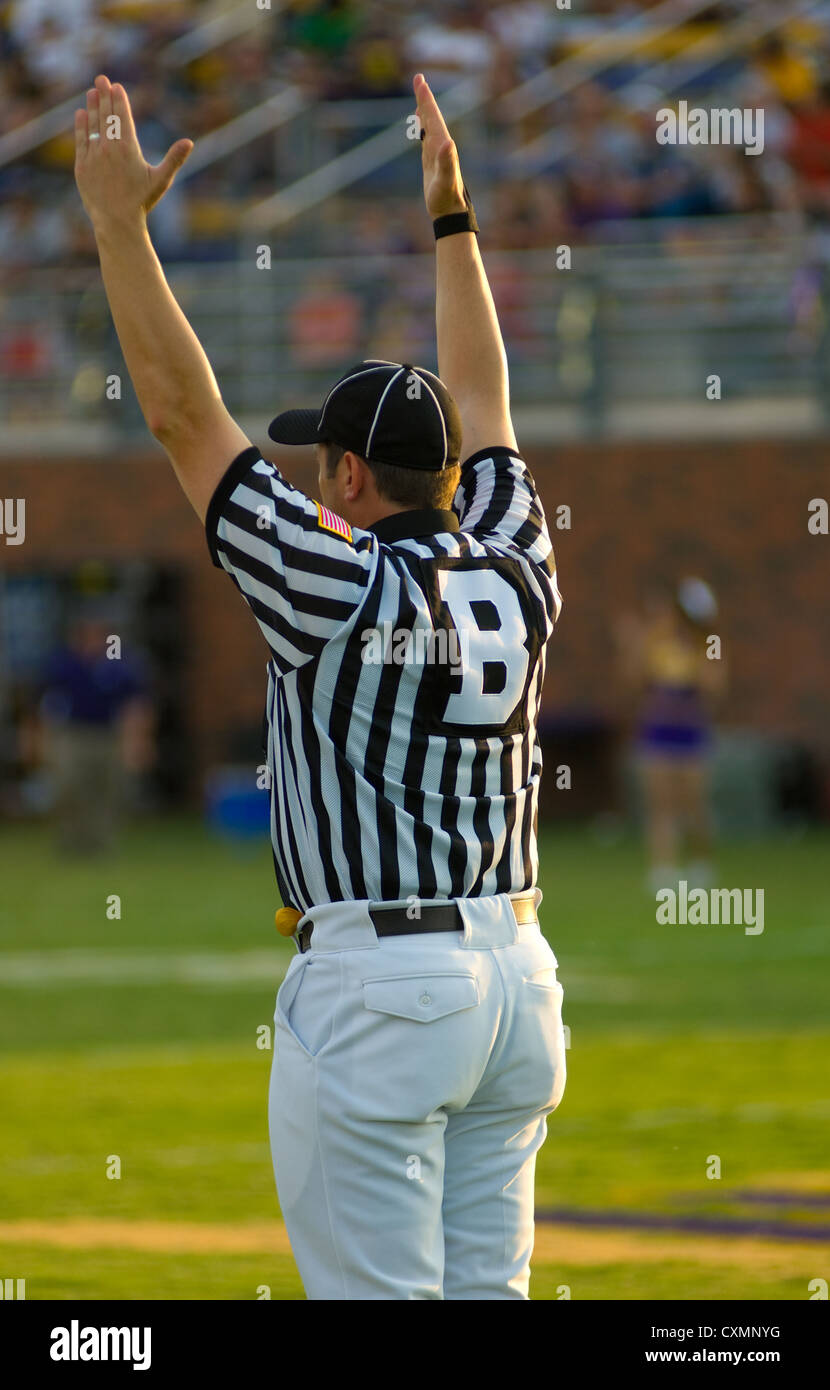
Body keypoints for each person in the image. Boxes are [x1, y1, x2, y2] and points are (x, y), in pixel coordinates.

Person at [74, 70, 566, 1300]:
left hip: (384, 985)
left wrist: (118, 229)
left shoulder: (332, 582)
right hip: (516, 975)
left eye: (319, 463)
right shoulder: (515, 546)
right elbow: (489, 402)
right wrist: (453, 223)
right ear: (444, 471)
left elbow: (186, 418)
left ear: (348, 475)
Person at [617, 578, 724, 893]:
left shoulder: (707, 645)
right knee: (659, 804)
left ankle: (700, 864)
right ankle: (663, 870)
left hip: (690, 730)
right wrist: (636, 641)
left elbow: (715, 686)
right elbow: (634, 678)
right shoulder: (657, 640)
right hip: (658, 729)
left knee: (694, 804)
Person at [39, 610, 152, 853]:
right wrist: (40, 740)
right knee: (69, 787)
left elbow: (134, 704)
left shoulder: (121, 663)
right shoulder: (63, 662)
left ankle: (101, 846)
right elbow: (45, 704)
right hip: (73, 734)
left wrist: (137, 742)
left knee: (109, 791)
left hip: (110, 735)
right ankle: (71, 842)